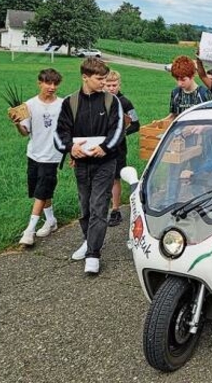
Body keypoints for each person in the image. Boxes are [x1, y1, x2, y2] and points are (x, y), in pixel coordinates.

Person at [55, 57, 124, 275]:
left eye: (105, 79)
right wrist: (70, 148)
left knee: (98, 206)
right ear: (85, 77)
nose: (104, 83)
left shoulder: (112, 102)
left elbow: (118, 130)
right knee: (84, 207)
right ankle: (88, 240)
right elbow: (60, 132)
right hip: (82, 165)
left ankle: (94, 253)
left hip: (105, 163)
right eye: (99, 79)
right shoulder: (70, 102)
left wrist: (105, 147)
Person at [12, 68, 64, 246]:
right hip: (34, 153)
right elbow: (25, 132)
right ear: (39, 83)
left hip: (52, 155)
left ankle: (29, 230)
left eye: (55, 83)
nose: (52, 87)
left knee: (41, 191)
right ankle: (51, 220)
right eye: (48, 83)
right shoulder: (29, 105)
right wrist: (17, 124)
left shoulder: (63, 105)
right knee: (40, 189)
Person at [104, 70, 140, 227]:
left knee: (114, 178)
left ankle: (115, 209)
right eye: (108, 85)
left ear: (119, 84)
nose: (111, 88)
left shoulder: (125, 102)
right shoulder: (98, 100)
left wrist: (122, 132)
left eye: (114, 85)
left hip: (118, 148)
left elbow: (136, 124)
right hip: (100, 146)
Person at [164, 56, 212, 121]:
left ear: (192, 76)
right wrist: (159, 123)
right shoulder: (176, 93)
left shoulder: (204, 93)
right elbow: (173, 115)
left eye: (183, 80)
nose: (179, 83)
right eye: (177, 79)